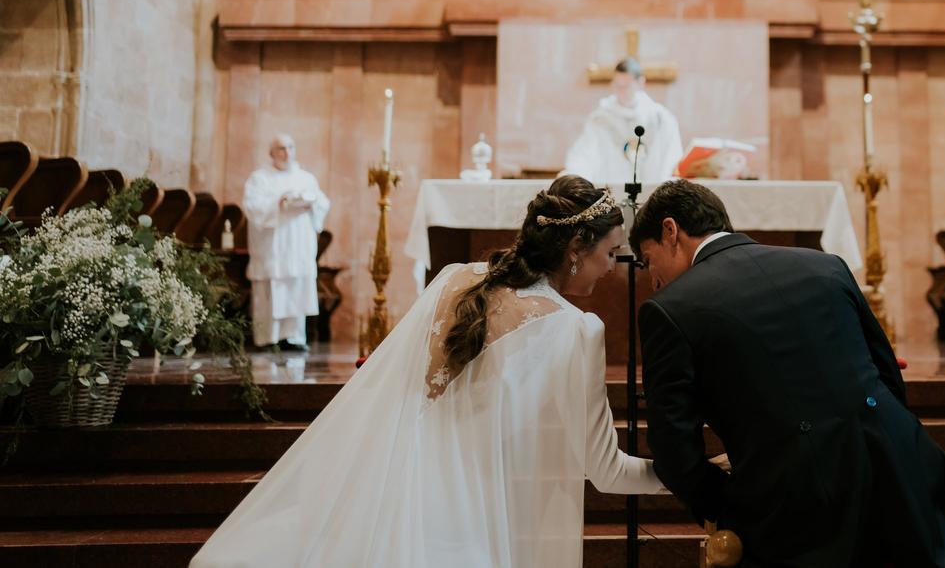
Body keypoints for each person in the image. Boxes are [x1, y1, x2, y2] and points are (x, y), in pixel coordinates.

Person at [191, 176, 663, 568]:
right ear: (576, 246)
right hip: (463, 519)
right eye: (610, 251)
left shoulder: (454, 279)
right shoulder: (579, 330)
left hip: (376, 493)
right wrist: (690, 475)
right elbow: (606, 470)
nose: (611, 267)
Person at [631, 180, 945, 567]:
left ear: (672, 230)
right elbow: (885, 371)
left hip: (793, 495)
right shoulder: (825, 265)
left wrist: (727, 504)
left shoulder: (669, 308)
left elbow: (672, 447)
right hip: (895, 456)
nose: (653, 281)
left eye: (649, 261)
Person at [242, 135, 330, 351]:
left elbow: (322, 203)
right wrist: (279, 203)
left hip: (298, 245)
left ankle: (294, 338)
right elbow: (253, 207)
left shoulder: (306, 178)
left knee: (296, 289)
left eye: (291, 147)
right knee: (270, 290)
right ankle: (267, 339)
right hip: (273, 246)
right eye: (281, 148)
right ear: (271, 153)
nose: (287, 152)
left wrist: (313, 205)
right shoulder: (259, 178)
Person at [564, 57, 683, 184]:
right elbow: (584, 156)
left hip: (652, 195)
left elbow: (672, 158)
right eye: (617, 85)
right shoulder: (601, 119)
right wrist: (575, 177)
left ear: (640, 83)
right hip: (611, 193)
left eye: (626, 86)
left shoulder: (660, 119)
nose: (621, 91)